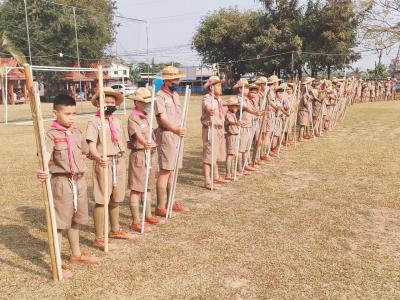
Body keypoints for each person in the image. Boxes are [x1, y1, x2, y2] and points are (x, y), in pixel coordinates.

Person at [36, 95, 98, 279]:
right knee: (60, 222)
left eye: (74, 113)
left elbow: (86, 151)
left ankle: (76, 254)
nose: (71, 117)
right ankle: (56, 261)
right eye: (67, 113)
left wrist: (97, 154)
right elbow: (46, 154)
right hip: (62, 182)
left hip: (79, 181)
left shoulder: (77, 132)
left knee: (76, 218)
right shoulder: (51, 135)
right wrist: (44, 169)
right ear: (55, 113)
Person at [86, 87, 132, 250]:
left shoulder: (117, 121)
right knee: (101, 198)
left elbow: (124, 142)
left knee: (116, 196)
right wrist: (98, 157)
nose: (110, 105)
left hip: (119, 162)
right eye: (107, 102)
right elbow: (91, 144)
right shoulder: (94, 121)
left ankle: (115, 229)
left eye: (113, 102)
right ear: (98, 103)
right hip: (103, 162)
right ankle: (99, 237)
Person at [127, 87, 163, 233]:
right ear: (137, 102)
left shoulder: (146, 115)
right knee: (137, 188)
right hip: (140, 155)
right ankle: (136, 221)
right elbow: (137, 135)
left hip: (150, 154)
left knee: (148, 186)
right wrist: (144, 142)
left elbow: (148, 132)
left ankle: (147, 215)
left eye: (149, 101)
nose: (148, 104)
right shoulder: (133, 117)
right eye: (145, 102)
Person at [154, 66, 187, 217]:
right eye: (175, 79)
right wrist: (174, 130)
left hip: (177, 135)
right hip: (167, 134)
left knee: (174, 170)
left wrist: (179, 130)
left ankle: (171, 200)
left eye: (178, 79)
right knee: (166, 170)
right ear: (167, 80)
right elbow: (162, 118)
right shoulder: (159, 96)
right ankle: (160, 206)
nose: (177, 81)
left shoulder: (175, 95)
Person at [200, 76, 228, 190]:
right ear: (212, 87)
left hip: (219, 128)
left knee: (215, 153)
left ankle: (216, 176)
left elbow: (222, 107)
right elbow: (207, 106)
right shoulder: (207, 98)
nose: (221, 88)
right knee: (209, 154)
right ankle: (207, 180)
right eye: (218, 86)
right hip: (210, 128)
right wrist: (209, 109)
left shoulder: (219, 99)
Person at [224, 97, 241, 180]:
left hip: (235, 135)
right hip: (231, 136)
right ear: (229, 107)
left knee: (235, 154)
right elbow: (230, 121)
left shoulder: (234, 114)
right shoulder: (228, 114)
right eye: (234, 106)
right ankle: (228, 174)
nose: (236, 108)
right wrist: (237, 123)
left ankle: (234, 171)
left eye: (237, 106)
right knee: (230, 155)